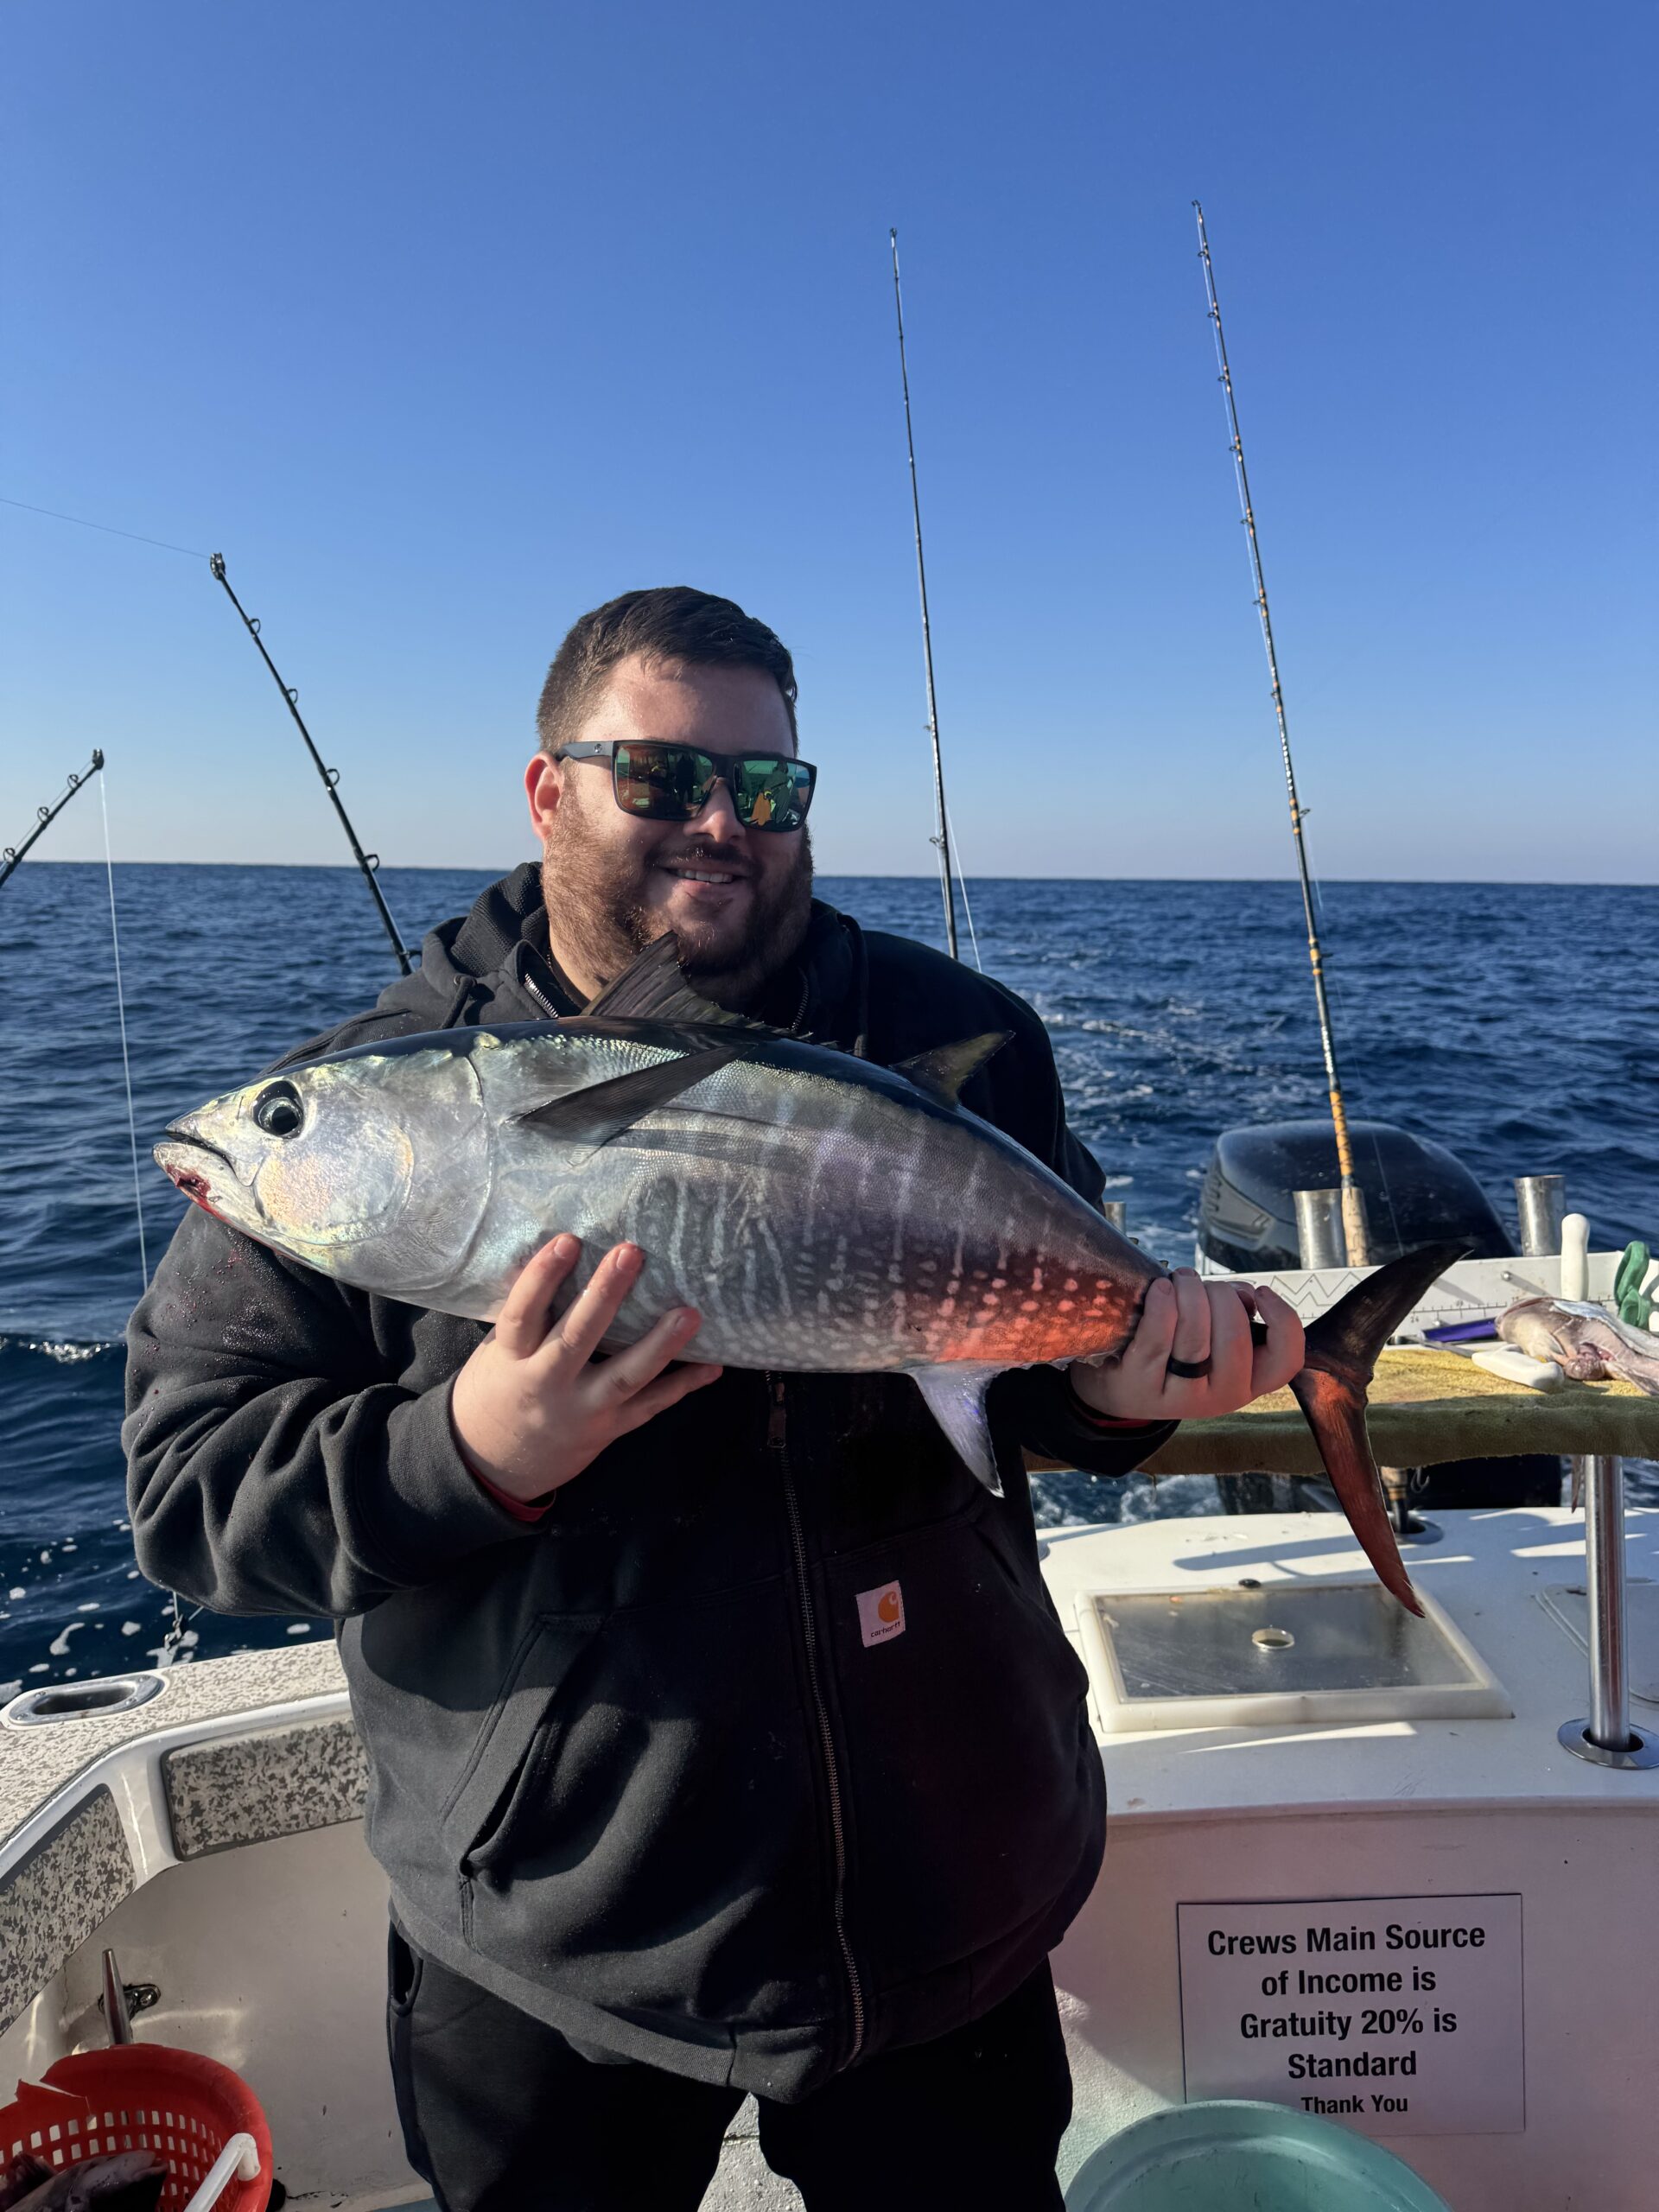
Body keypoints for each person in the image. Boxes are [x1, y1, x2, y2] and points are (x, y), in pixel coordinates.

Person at [125, 587, 1304, 2211]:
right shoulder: (367, 1107)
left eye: (768, 788)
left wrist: (1118, 1392)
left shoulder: (959, 1040)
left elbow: (1027, 1387)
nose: (721, 826)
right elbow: (191, 1498)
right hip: (555, 1934)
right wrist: (473, 1451)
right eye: (663, 778)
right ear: (549, 791)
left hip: (944, 1890)